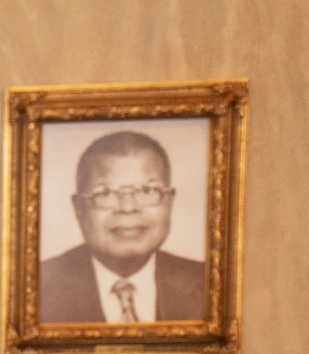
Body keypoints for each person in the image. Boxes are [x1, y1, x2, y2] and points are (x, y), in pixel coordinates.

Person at [39, 129, 205, 323]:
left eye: (147, 190)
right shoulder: (36, 288)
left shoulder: (211, 284)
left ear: (170, 202)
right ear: (79, 208)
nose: (128, 207)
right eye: (106, 193)